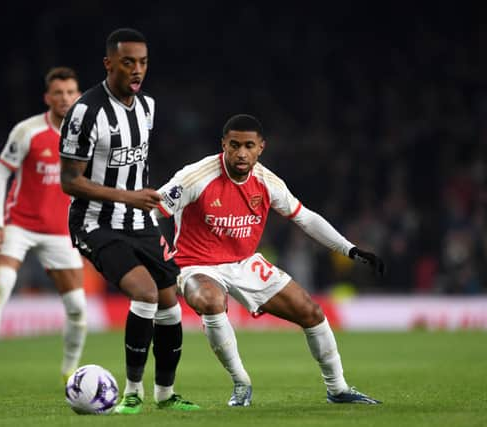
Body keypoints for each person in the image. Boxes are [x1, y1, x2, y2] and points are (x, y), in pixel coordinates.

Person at [152, 114, 385, 406]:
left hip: (244, 262)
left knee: (310, 311)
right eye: (234, 145)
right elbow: (151, 210)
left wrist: (349, 249)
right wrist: (159, 255)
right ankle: (241, 383)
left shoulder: (267, 181)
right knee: (211, 301)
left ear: (261, 147)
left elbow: (305, 218)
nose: (241, 153)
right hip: (196, 264)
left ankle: (338, 389)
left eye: (248, 145)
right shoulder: (195, 176)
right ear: (223, 144)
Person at [59, 28, 199, 414]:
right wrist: (128, 196)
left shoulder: (147, 107)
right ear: (109, 64)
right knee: (146, 293)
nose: (138, 70)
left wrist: (141, 199)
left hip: (140, 221)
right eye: (128, 62)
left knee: (171, 304)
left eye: (143, 62)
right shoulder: (85, 112)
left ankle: (166, 395)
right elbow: (69, 181)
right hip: (95, 222)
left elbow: (135, 164)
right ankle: (132, 391)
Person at [0, 67, 86, 387]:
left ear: (78, 96)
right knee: (1, 286)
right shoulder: (27, 131)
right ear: (48, 98)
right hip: (19, 225)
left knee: (77, 308)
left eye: (71, 92)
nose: (65, 98)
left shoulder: (88, 136)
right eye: (58, 93)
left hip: (61, 231)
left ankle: (69, 371)